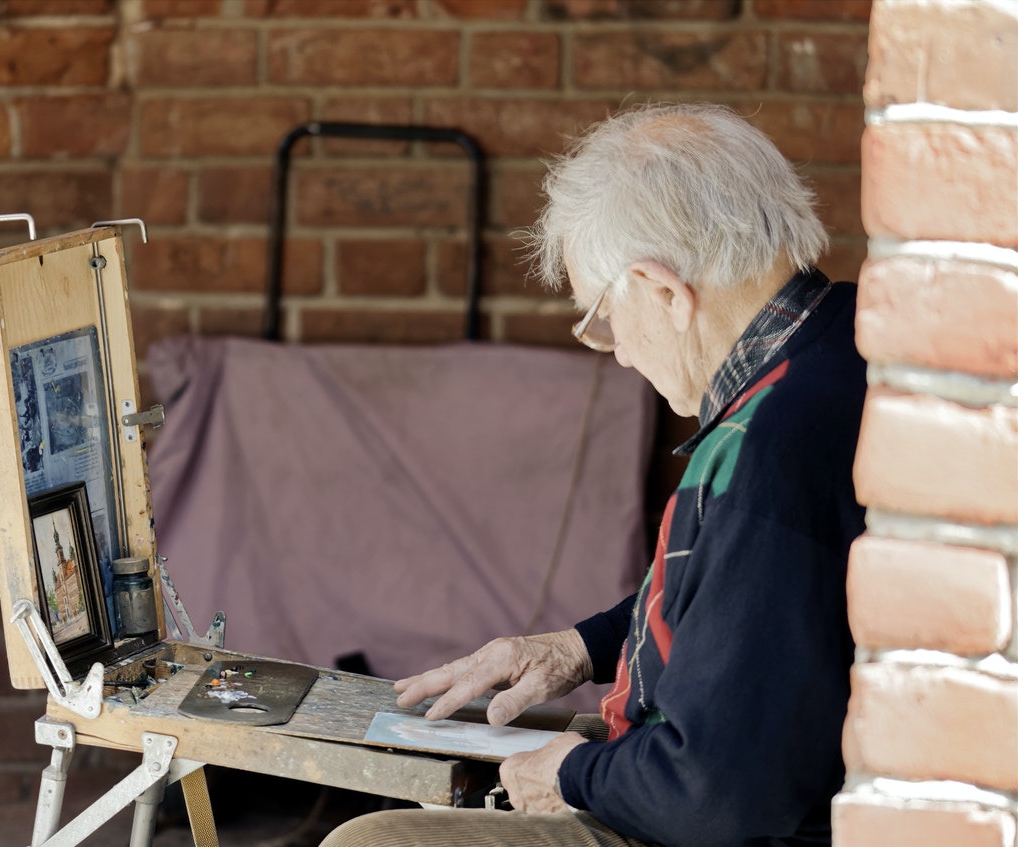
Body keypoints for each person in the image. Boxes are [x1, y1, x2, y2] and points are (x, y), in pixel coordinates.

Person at [320, 102, 867, 847]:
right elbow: (739, 599)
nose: (614, 351)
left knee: (373, 843)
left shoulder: (767, 454)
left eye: (602, 319)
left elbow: (716, 797)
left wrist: (573, 774)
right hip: (734, 778)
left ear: (664, 290)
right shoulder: (843, 340)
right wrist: (575, 648)